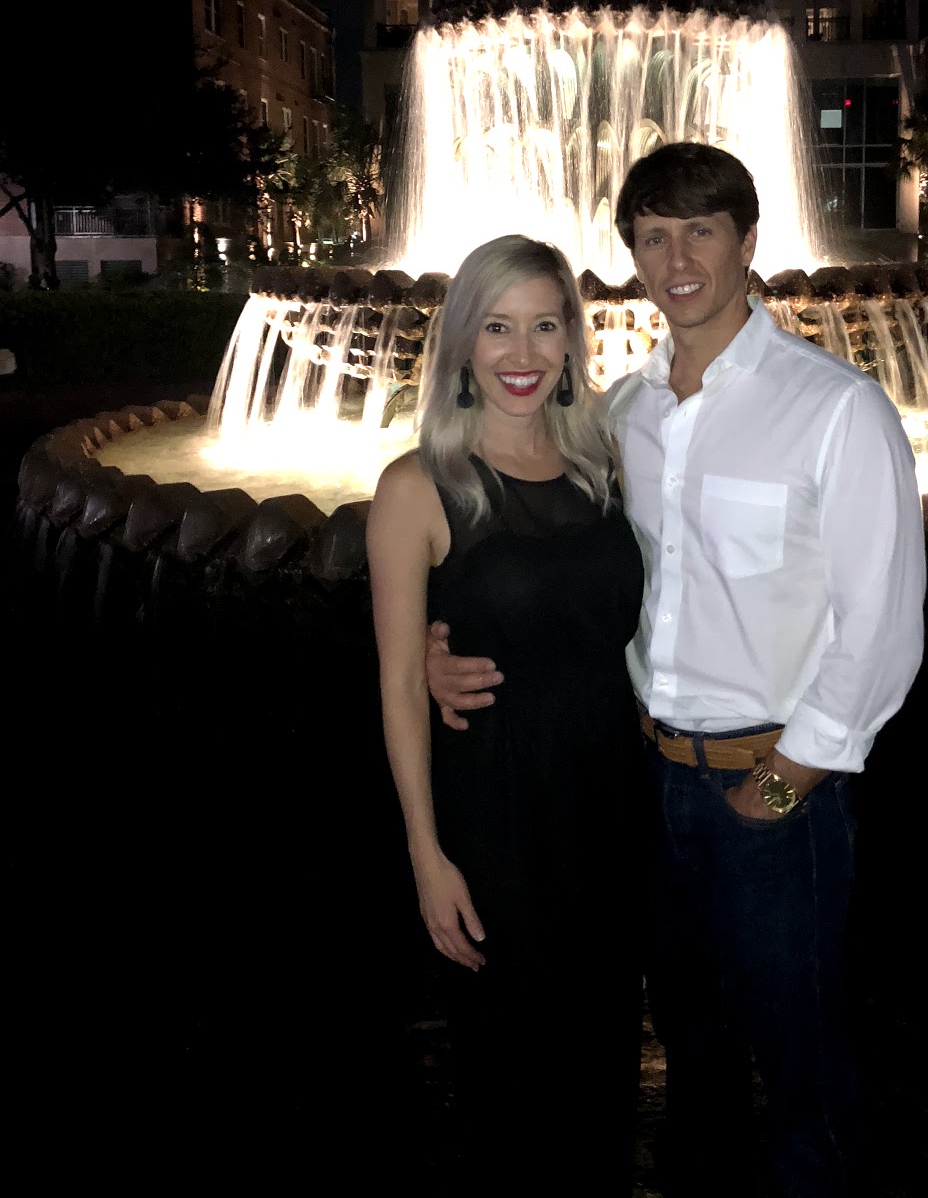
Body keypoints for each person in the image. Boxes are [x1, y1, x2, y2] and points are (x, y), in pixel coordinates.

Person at [427, 144, 926, 1197]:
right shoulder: (621, 417)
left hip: (779, 794)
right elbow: (554, 566)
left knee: (805, 1069)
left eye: (702, 231)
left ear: (749, 243)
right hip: (640, 789)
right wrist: (443, 642)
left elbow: (881, 632)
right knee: (694, 1055)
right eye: (654, 236)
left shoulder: (836, 409)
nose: (678, 259)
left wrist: (777, 791)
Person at [368, 234, 647, 1192]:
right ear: (462, 344)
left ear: (571, 340)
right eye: (497, 327)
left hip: (611, 804)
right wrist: (426, 857)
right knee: (510, 1076)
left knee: (603, 1064)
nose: (522, 354)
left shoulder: (607, 466)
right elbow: (399, 684)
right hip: (494, 817)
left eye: (543, 325)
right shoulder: (417, 487)